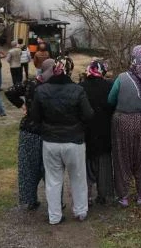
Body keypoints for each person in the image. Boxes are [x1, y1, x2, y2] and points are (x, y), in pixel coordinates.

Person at [30, 59, 94, 225]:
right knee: (78, 177)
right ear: (68, 71)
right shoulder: (78, 90)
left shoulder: (41, 90)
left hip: (50, 142)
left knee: (53, 180)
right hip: (74, 141)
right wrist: (79, 127)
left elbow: (35, 116)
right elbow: (88, 115)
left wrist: (45, 126)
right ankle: (80, 211)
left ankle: (54, 216)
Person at [107, 45, 141, 207]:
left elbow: (110, 100)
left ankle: (123, 196)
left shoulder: (121, 78)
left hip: (123, 122)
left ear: (132, 59)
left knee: (122, 158)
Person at [4, 62, 52, 211]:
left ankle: (30, 200)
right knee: (51, 170)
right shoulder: (53, 86)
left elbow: (10, 91)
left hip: (29, 130)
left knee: (28, 168)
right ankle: (55, 201)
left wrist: (21, 105)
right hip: (48, 131)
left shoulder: (31, 83)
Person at [80, 60, 114, 205]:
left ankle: (86, 196)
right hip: (104, 129)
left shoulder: (81, 87)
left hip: (86, 131)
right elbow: (113, 106)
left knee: (87, 164)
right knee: (103, 163)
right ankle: (103, 195)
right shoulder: (109, 86)